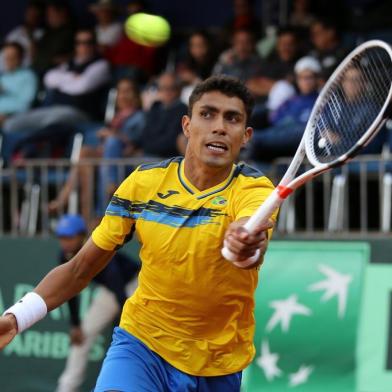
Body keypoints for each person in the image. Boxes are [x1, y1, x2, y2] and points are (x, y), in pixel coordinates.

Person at [0, 75, 276, 392]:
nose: (219, 127)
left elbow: (252, 241)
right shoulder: (143, 184)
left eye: (233, 119)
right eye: (207, 114)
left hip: (218, 364)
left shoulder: (254, 189)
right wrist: (17, 318)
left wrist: (246, 245)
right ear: (187, 126)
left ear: (246, 136)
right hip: (142, 345)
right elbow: (80, 267)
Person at [54, 214, 140, 392]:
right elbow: (70, 290)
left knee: (134, 338)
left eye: (70, 237)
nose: (66, 242)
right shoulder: (64, 256)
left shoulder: (97, 247)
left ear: (81, 235)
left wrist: (122, 318)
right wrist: (75, 324)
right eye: (62, 237)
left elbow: (116, 281)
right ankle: (66, 387)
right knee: (82, 336)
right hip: (110, 291)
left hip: (135, 285)